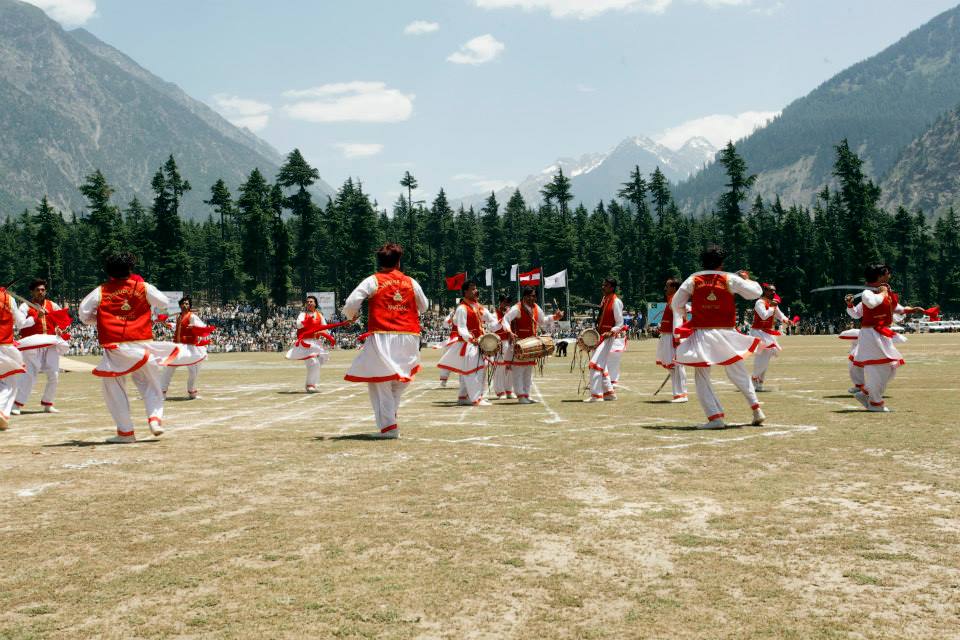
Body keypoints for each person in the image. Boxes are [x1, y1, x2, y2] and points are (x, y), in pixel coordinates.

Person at [78, 252, 176, 443]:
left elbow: (83, 314)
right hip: (142, 343)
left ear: (109, 272)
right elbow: (164, 303)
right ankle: (155, 419)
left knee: (113, 389)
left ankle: (126, 432)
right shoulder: (142, 287)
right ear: (130, 269)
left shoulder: (101, 290)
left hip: (116, 348)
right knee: (151, 385)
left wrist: (96, 320)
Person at [671, 245, 765, 429]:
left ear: (703, 261)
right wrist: (746, 279)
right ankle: (756, 410)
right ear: (721, 264)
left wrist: (685, 315)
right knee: (738, 371)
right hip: (726, 333)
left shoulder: (693, 279)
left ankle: (715, 418)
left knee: (702, 375)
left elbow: (676, 303)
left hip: (702, 334)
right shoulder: (729, 278)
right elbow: (756, 293)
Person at [342, 243, 428, 438]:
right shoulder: (411, 282)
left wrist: (350, 315)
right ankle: (389, 420)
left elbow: (351, 303)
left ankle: (389, 428)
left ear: (379, 262)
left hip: (383, 334)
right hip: (409, 336)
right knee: (396, 380)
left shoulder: (373, 280)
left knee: (379, 381)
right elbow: (424, 306)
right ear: (399, 262)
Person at [849, 264, 925, 412]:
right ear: (880, 275)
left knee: (891, 368)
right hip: (871, 334)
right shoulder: (867, 293)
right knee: (877, 368)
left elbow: (896, 308)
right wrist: (883, 294)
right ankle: (875, 403)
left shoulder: (884, 291)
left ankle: (866, 394)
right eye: (888, 273)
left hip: (882, 333)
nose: (889, 275)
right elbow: (871, 304)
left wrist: (911, 310)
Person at [437, 280, 503, 406]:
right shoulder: (462, 308)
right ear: (466, 292)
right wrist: (472, 339)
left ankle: (463, 397)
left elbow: (493, 323)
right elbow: (461, 328)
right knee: (474, 371)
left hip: (477, 344)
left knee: (474, 370)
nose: (476, 291)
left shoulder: (478, 306)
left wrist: (503, 319)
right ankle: (476, 399)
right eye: (473, 289)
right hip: (469, 345)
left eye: (476, 288)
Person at [13, 279, 69, 414]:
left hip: (50, 343)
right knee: (29, 376)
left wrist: (61, 329)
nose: (40, 292)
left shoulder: (52, 305)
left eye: (43, 290)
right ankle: (17, 405)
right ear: (32, 292)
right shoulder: (25, 307)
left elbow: (62, 320)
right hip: (32, 345)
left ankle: (48, 403)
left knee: (54, 375)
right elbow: (20, 324)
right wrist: (36, 317)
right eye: (37, 290)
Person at [501, 286, 563, 404]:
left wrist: (555, 317)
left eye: (534, 296)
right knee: (518, 370)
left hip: (531, 343)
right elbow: (505, 320)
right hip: (519, 344)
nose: (532, 298)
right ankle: (520, 396)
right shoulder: (517, 308)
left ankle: (526, 395)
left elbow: (542, 320)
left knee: (528, 371)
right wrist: (509, 331)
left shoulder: (536, 307)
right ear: (524, 297)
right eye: (529, 296)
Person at [160, 296, 210, 400]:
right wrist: (166, 323)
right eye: (183, 303)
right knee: (168, 368)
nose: (185, 305)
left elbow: (203, 326)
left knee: (193, 372)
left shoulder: (192, 317)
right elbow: (177, 326)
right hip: (178, 347)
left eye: (187, 303)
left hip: (189, 348)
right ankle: (162, 393)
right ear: (180, 305)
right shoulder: (179, 317)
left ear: (189, 305)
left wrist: (194, 327)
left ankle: (191, 391)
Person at [749, 283, 797, 392]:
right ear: (765, 291)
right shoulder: (759, 302)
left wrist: (787, 320)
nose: (773, 292)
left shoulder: (773, 304)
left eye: (774, 290)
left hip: (767, 333)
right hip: (758, 332)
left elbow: (780, 315)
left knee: (766, 356)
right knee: (763, 357)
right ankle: (754, 379)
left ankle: (758, 381)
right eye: (771, 290)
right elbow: (764, 315)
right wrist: (772, 306)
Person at [584, 279, 623, 402]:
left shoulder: (616, 301)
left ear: (612, 287)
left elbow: (620, 323)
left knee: (594, 364)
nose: (603, 287)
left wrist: (611, 331)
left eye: (605, 285)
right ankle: (609, 393)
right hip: (599, 336)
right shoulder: (605, 300)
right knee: (601, 365)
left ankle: (596, 395)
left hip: (608, 337)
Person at [285, 296, 332, 393]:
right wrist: (308, 321)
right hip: (306, 342)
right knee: (313, 363)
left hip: (316, 342)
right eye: (307, 302)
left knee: (322, 360)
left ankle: (310, 383)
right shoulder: (303, 314)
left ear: (315, 303)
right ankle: (311, 385)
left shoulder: (319, 315)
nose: (309, 303)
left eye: (311, 301)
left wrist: (325, 334)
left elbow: (325, 328)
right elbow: (298, 325)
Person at [0, 287, 31, 430]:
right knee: (11, 384)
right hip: (4, 346)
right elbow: (21, 323)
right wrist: (34, 317)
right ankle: (2, 411)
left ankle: (4, 416)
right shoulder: (8, 299)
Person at [655, 277, 688, 403]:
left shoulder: (675, 300)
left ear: (674, 288)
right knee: (671, 365)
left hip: (672, 336)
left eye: (667, 286)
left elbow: (678, 320)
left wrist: (677, 336)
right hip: (666, 335)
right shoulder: (671, 300)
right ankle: (678, 394)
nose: (665, 288)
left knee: (677, 365)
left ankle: (682, 394)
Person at [491, 295, 516, 400]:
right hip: (499, 343)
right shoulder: (493, 315)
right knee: (500, 368)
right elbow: (493, 328)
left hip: (510, 343)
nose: (507, 305)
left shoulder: (510, 315)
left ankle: (509, 390)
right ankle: (500, 392)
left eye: (508, 303)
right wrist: (503, 319)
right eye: (505, 302)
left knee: (510, 368)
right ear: (500, 303)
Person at [438, 308, 456, 388]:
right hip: (462, 338)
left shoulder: (454, 312)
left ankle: (443, 380)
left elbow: (445, 323)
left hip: (454, 338)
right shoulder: (470, 310)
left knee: (446, 359)